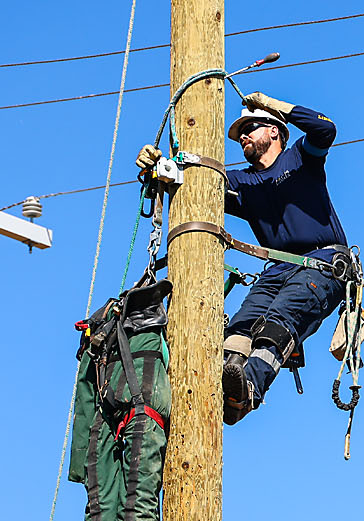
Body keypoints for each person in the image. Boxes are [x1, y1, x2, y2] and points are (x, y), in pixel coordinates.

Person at [137, 91, 350, 424]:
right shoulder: (242, 183)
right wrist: (157, 167)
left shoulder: (300, 159)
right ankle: (226, 397)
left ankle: (249, 389)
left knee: (278, 320)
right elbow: (193, 182)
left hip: (321, 264)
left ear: (275, 131)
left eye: (251, 128)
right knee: (239, 330)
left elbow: (326, 128)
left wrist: (272, 104)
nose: (244, 137)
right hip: (278, 270)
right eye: (240, 134)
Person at [68, 277, 171, 521]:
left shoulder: (99, 338)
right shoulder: (156, 327)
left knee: (100, 506)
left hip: (103, 423)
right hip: (143, 413)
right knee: (139, 497)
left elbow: (85, 400)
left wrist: (80, 466)